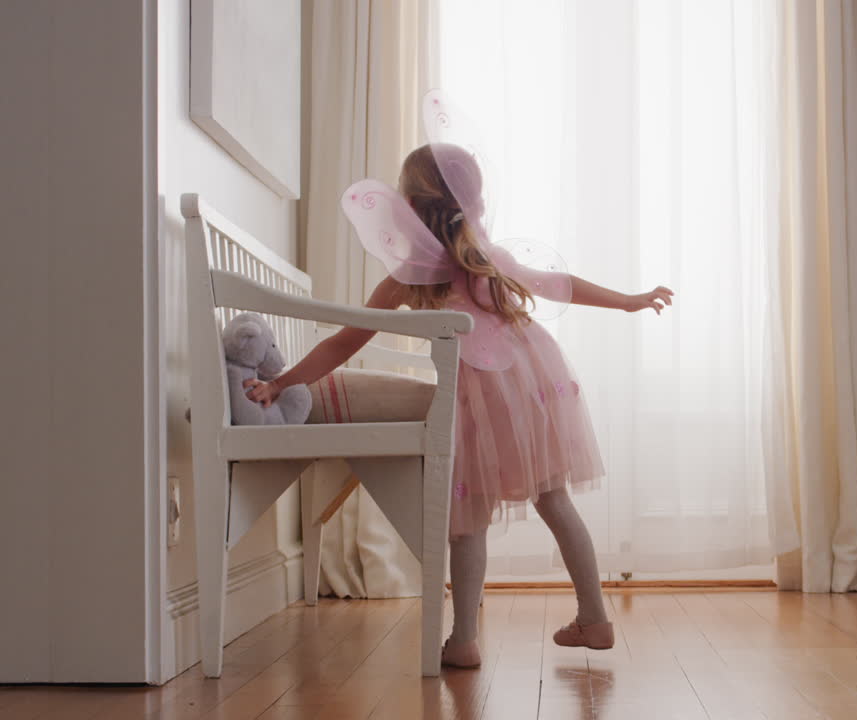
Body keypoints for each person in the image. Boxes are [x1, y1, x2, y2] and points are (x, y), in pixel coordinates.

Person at [244, 143, 674, 669]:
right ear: (474, 203)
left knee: (468, 518)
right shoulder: (490, 258)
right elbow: (562, 285)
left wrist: (282, 381)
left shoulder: (411, 273)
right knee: (555, 501)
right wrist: (629, 300)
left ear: (409, 209)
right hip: (537, 389)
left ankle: (465, 639)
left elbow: (344, 341)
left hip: (479, 398)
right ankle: (596, 618)